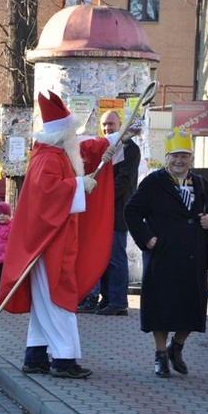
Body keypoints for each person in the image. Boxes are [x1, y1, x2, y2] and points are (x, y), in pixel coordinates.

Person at [0, 90, 119, 379]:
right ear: (62, 133)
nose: (75, 137)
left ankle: (36, 355)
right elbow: (47, 194)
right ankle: (64, 359)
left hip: (50, 240)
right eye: (72, 132)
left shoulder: (56, 152)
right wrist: (79, 186)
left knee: (44, 303)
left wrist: (114, 141)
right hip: (50, 243)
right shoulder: (49, 159)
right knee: (57, 298)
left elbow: (86, 151)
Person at [124, 128, 208, 377]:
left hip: (193, 256)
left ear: (191, 159)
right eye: (174, 156)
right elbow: (131, 211)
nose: (179, 161)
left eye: (184, 156)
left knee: (191, 307)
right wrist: (147, 238)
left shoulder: (201, 183)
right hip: (163, 255)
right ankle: (160, 355)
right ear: (166, 158)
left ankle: (177, 346)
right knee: (161, 307)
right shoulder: (154, 182)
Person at [77, 110, 140, 316]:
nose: (107, 128)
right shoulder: (105, 147)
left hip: (118, 211)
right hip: (103, 212)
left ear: (120, 124)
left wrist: (100, 196)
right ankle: (106, 299)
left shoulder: (130, 148)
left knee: (115, 257)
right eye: (104, 125)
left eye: (111, 124)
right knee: (103, 256)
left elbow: (124, 181)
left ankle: (118, 301)